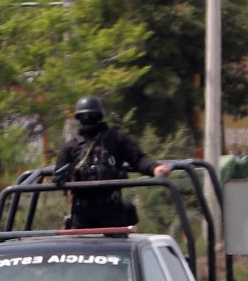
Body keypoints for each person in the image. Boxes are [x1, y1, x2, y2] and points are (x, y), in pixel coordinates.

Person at [53, 95, 172, 230]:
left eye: (92, 115)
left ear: (99, 116)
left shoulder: (116, 138)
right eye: (84, 116)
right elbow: (59, 172)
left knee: (118, 248)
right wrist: (64, 177)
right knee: (77, 248)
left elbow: (138, 159)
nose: (88, 119)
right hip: (82, 211)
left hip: (111, 209)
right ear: (79, 118)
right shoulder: (72, 145)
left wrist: (155, 168)